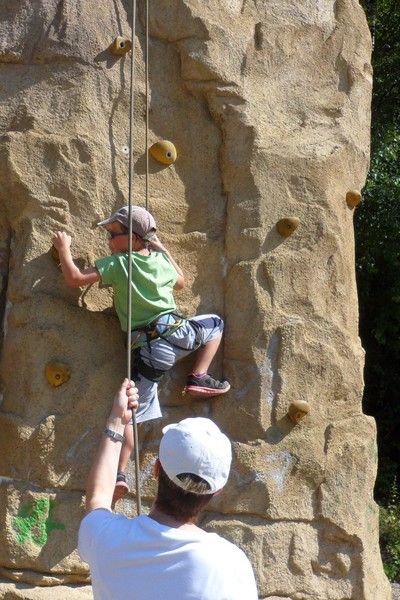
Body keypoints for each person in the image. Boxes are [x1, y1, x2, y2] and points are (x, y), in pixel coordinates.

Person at [52, 205, 230, 503]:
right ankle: (199, 375)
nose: (109, 241)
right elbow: (181, 281)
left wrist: (63, 249)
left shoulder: (120, 265)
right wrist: (161, 248)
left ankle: (120, 474)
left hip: (150, 351)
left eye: (114, 234)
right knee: (216, 324)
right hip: (179, 334)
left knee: (132, 416)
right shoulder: (160, 260)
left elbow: (75, 279)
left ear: (134, 238)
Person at [78, 379, 258, 600]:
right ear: (217, 490)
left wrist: (117, 420)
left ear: (156, 469)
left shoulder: (106, 538)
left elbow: (98, 498)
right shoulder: (230, 564)